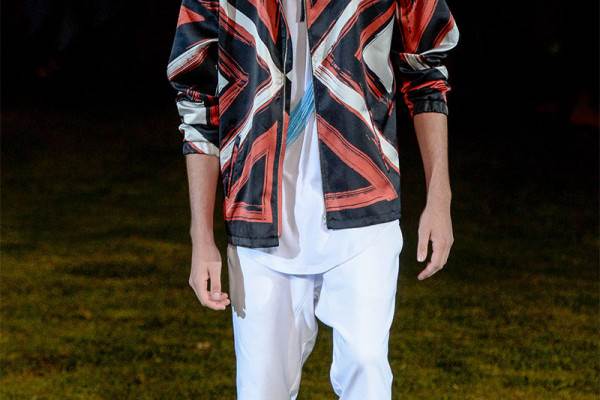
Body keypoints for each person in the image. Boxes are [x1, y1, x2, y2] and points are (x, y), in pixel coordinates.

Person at [166, 0, 458, 398]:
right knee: (261, 391)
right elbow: (197, 95)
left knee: (367, 372)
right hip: (259, 220)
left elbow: (426, 70)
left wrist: (439, 196)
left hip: (363, 207)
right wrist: (201, 236)